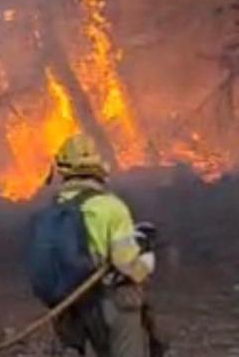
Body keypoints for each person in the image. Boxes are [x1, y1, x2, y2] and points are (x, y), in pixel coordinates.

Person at [49, 133, 158, 357]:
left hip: (72, 306)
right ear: (98, 168)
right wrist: (146, 263)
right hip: (112, 304)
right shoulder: (111, 207)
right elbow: (125, 263)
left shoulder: (55, 209)